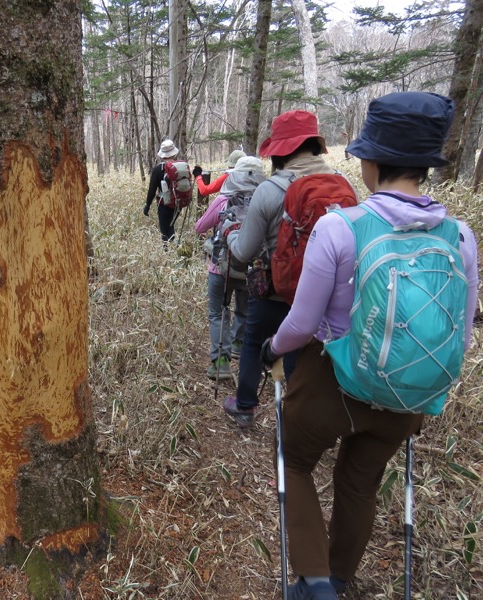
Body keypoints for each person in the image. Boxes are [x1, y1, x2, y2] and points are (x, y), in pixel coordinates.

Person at [260, 92, 478, 599]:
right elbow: (461, 336)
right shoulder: (461, 238)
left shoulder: (342, 227)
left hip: (333, 384)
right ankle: (339, 574)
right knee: (358, 483)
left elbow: (302, 323)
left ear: (372, 160)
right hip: (408, 397)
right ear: (426, 164)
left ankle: (314, 582)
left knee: (292, 459)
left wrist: (272, 346)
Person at [221, 110, 344, 428]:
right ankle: (296, 420)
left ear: (279, 151)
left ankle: (245, 407)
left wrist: (231, 232)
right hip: (325, 301)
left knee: (253, 339)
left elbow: (244, 251)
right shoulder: (341, 186)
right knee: (301, 354)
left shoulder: (270, 190)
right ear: (315, 146)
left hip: (276, 292)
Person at [194, 156, 264, 381]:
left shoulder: (224, 200)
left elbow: (199, 227)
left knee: (218, 313)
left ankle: (221, 363)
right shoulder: (266, 201)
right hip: (252, 269)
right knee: (244, 310)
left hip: (220, 268)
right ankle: (237, 345)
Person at [142, 139, 188, 244]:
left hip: (164, 204)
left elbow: (152, 190)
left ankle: (167, 253)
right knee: (171, 226)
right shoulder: (181, 167)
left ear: (162, 155)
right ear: (175, 153)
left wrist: (147, 205)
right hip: (178, 202)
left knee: (164, 230)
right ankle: (173, 250)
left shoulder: (158, 169)